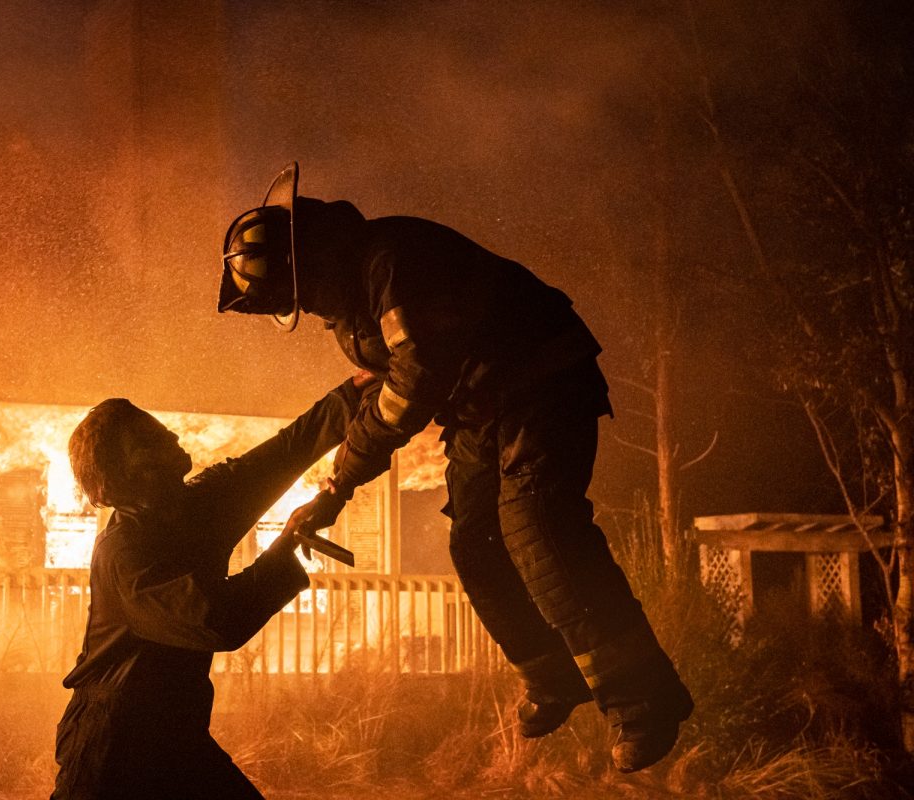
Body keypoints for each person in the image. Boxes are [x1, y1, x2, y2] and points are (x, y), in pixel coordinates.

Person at [215, 162, 693, 773]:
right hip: (480, 410)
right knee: (475, 545)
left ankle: (644, 698)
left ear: (307, 255)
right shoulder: (353, 305)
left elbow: (413, 383)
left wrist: (338, 485)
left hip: (541, 380)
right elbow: (381, 386)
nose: (306, 307)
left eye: (299, 292)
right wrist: (331, 474)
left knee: (538, 525)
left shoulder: (391, 262)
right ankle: (553, 678)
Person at [51, 374, 369, 799]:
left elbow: (283, 453)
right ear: (133, 469)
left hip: (175, 738)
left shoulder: (198, 506)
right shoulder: (124, 553)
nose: (173, 435)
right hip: (112, 748)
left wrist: (353, 394)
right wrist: (284, 546)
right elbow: (215, 619)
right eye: (154, 437)